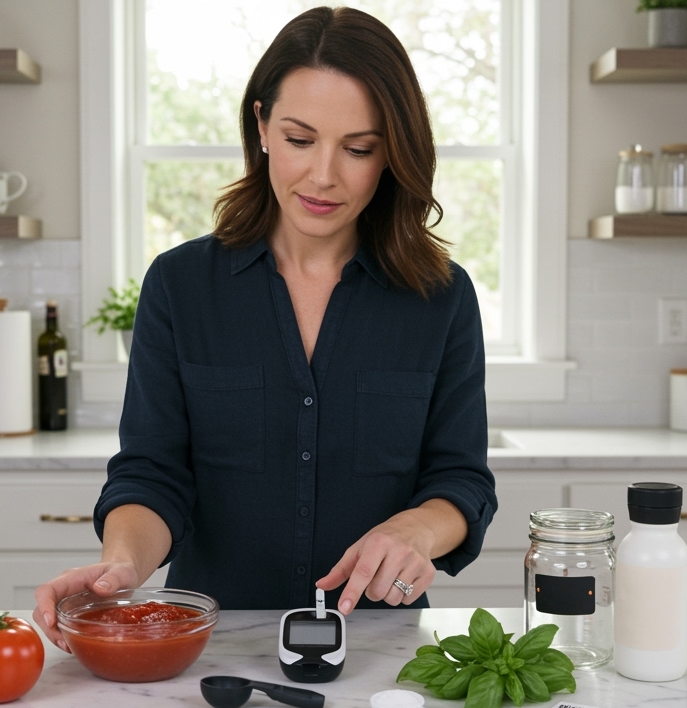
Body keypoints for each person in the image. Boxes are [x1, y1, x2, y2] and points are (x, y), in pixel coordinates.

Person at [34, 6, 496, 652]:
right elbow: (152, 475)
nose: (324, 175)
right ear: (262, 127)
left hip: (379, 652)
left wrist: (419, 530)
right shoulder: (179, 287)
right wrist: (123, 566)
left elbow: (461, 481)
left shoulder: (441, 298)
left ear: (391, 153)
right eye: (301, 139)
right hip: (208, 650)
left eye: (358, 148)